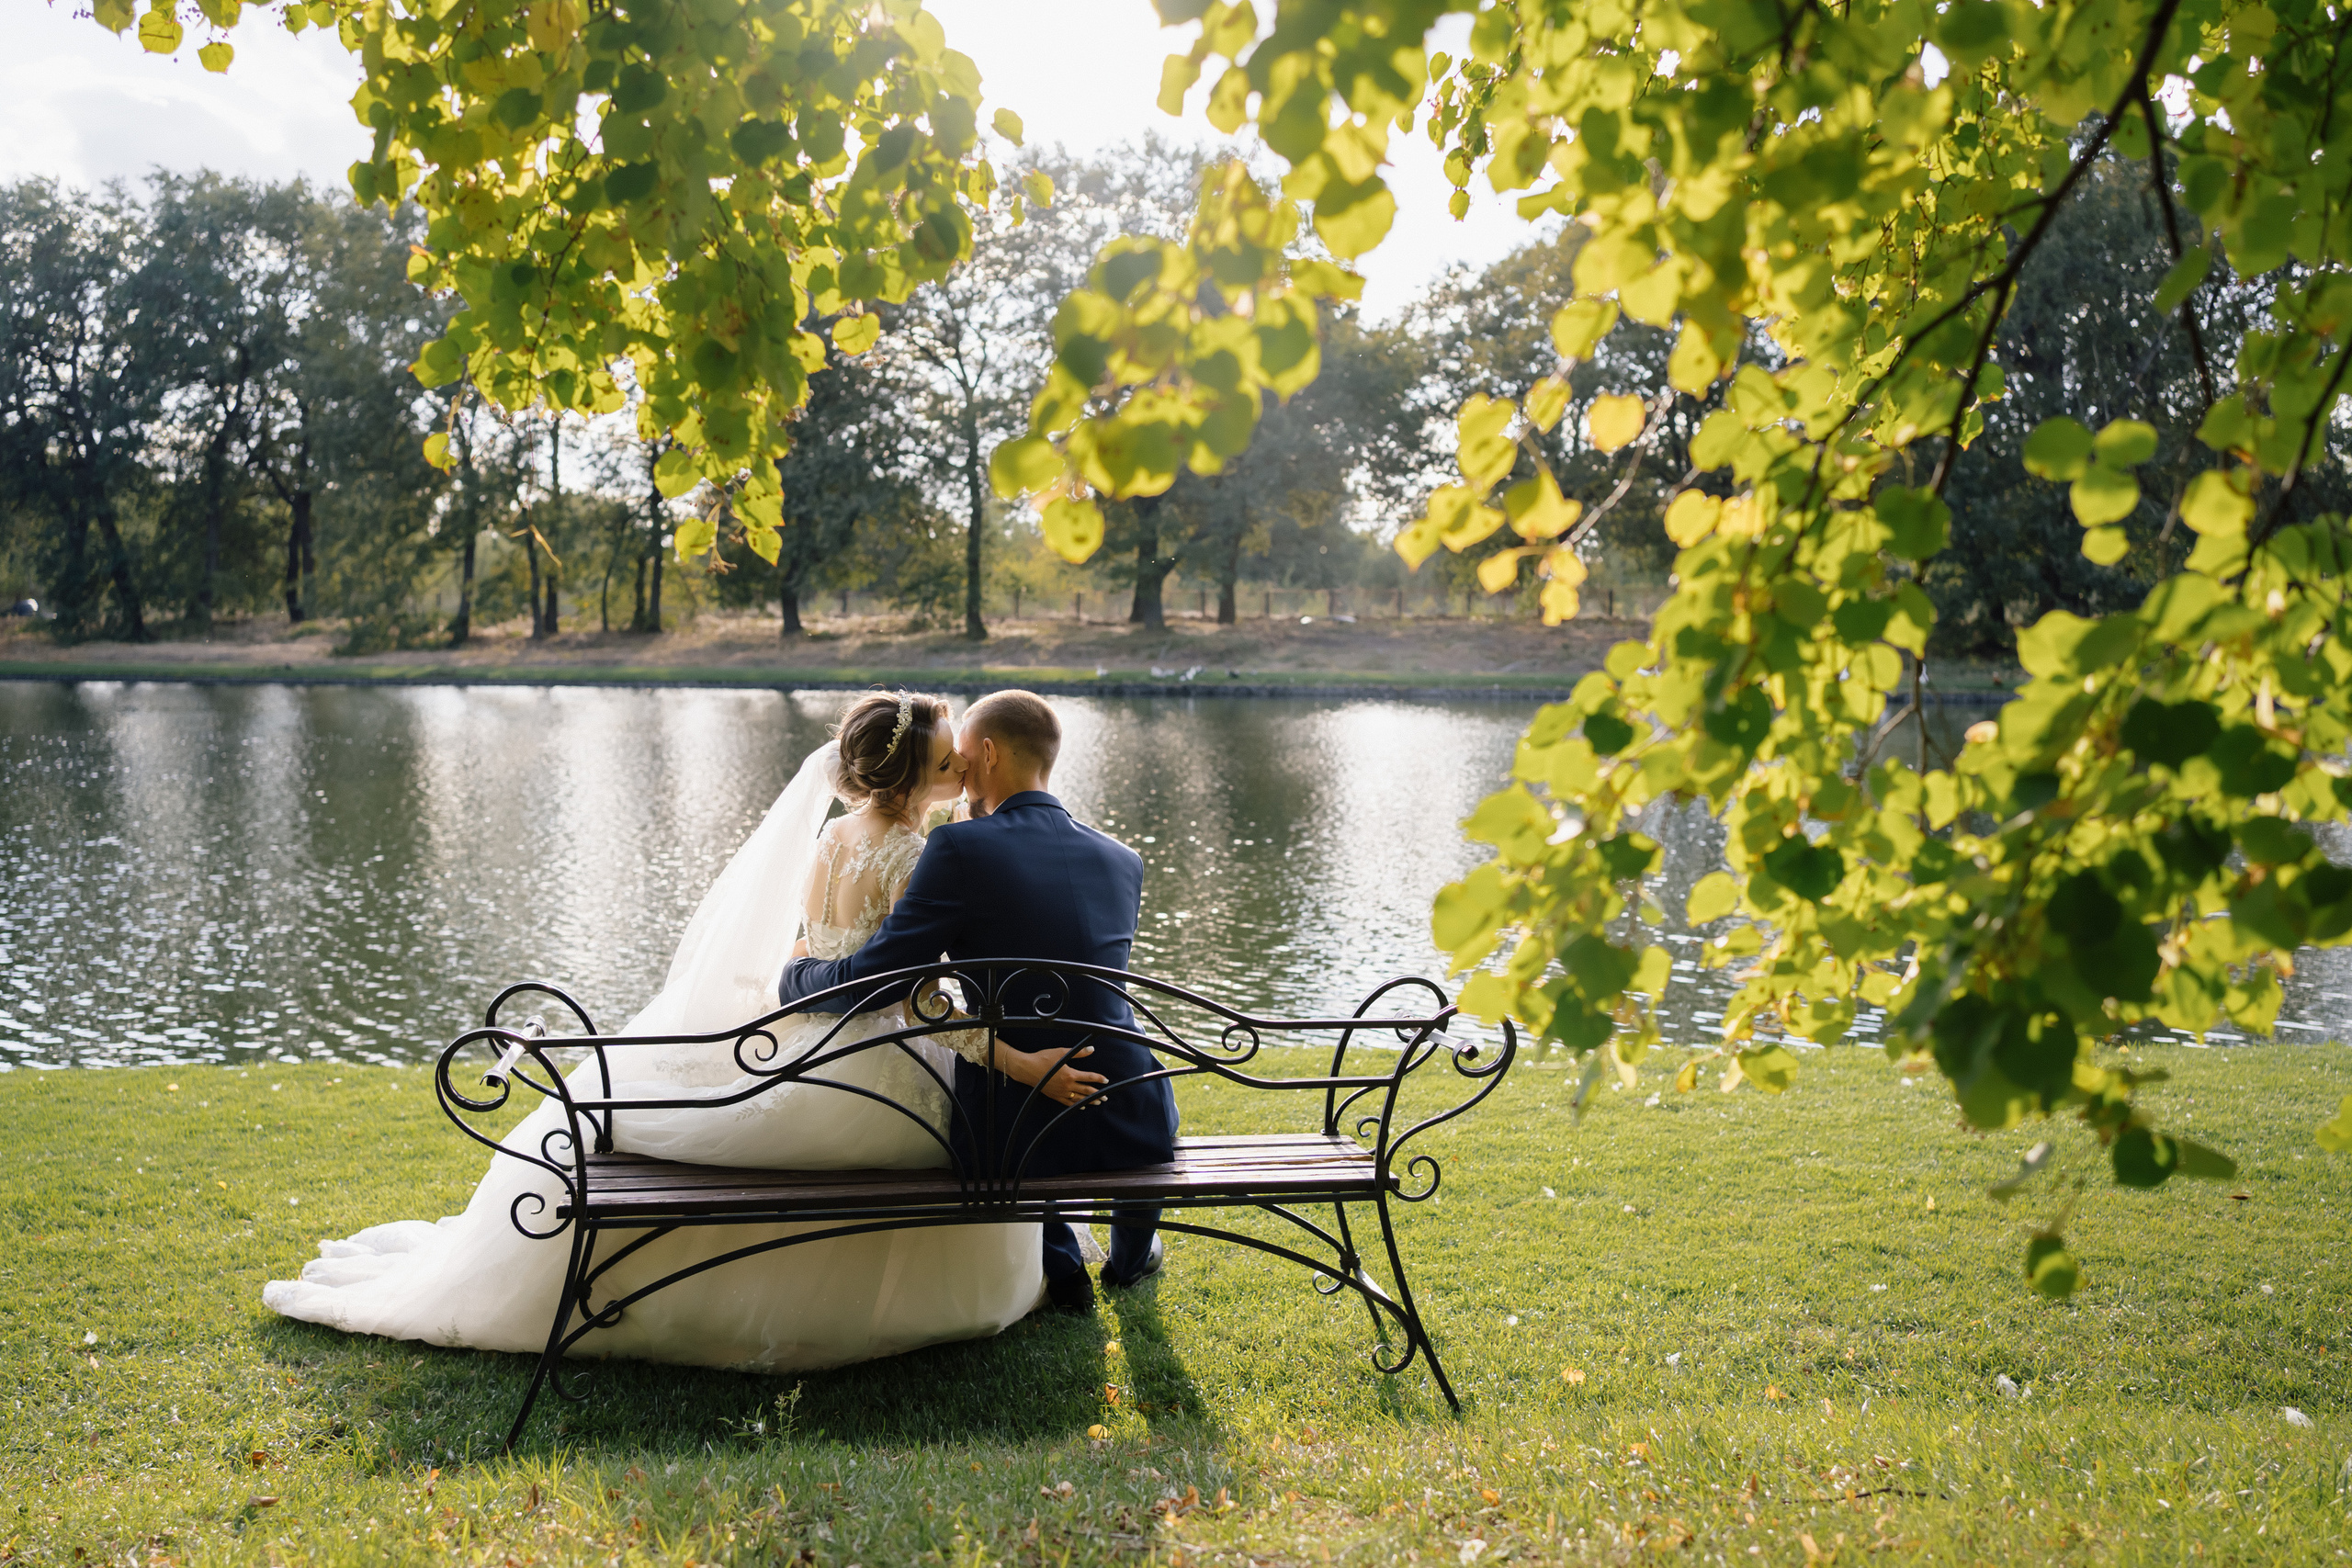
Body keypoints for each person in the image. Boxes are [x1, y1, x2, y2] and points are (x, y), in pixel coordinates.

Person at [263, 693, 1081, 1371]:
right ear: (913, 776)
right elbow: (922, 998)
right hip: (872, 1062)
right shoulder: (911, 853)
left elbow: (809, 948)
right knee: (957, 1131)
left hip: (801, 1038)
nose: (959, 772)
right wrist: (1012, 1056)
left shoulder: (833, 837)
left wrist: (804, 988)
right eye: (946, 764)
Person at [780, 689, 1174, 1314]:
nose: (960, 774)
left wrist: (795, 979)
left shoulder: (957, 848)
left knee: (998, 1100)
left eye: (962, 758)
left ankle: (1063, 1262)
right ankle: (1129, 1259)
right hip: (1136, 1110)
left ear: (987, 751)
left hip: (1012, 1127)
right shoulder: (1123, 860)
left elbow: (883, 978)